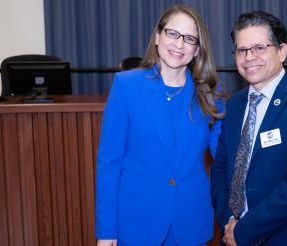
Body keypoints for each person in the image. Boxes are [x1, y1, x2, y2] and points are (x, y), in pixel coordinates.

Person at [96, 5, 224, 246]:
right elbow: (109, 163)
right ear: (158, 36)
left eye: (189, 39)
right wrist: (106, 230)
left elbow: (224, 157)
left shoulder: (210, 95)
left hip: (190, 222)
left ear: (197, 50)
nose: (179, 44)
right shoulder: (126, 85)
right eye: (172, 34)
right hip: (136, 222)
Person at [210, 10, 287, 246]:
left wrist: (243, 230)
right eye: (242, 50)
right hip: (232, 234)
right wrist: (229, 223)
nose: (249, 57)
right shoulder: (235, 104)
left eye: (259, 48)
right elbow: (221, 169)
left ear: (282, 51)